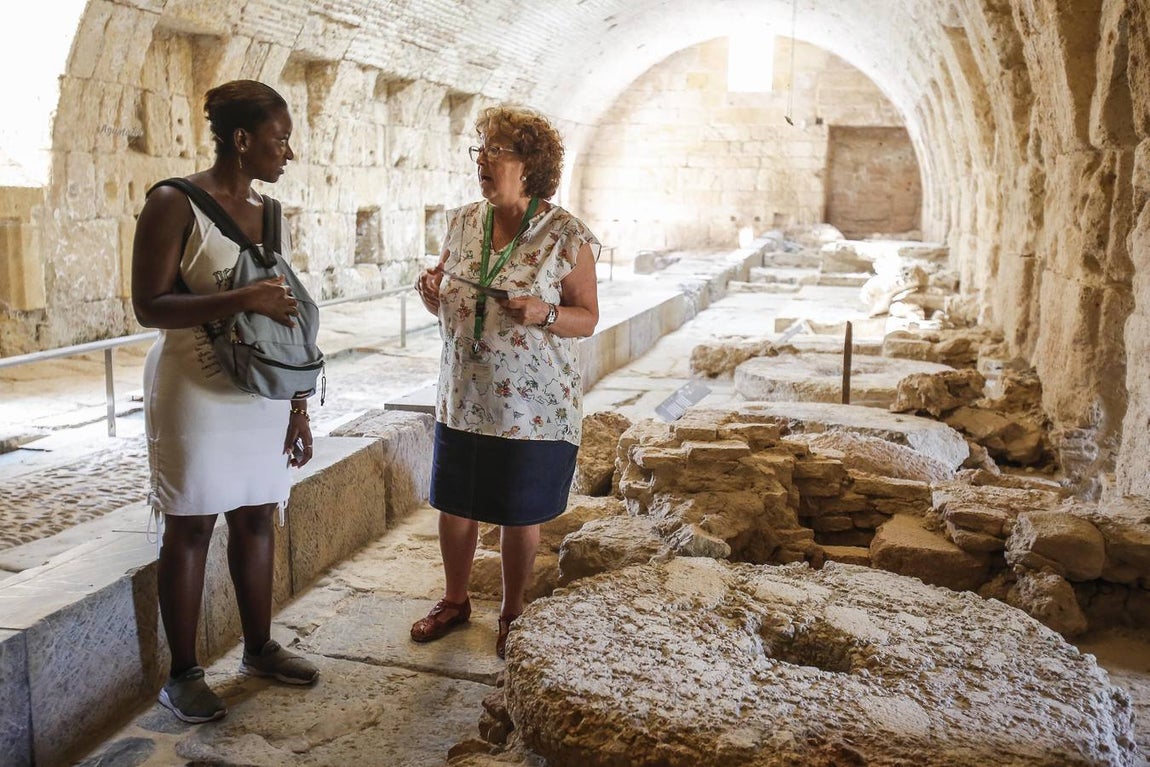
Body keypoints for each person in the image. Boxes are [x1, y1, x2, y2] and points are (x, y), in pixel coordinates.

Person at [132, 80, 319, 723]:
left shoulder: (271, 215)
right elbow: (149, 305)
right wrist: (241, 298)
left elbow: (284, 320)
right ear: (242, 142)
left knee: (256, 515)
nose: (288, 153)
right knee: (190, 523)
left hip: (260, 392)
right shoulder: (173, 203)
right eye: (279, 140)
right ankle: (182, 675)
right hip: (194, 390)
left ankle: (259, 647)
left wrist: (298, 404)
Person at [411, 105, 600, 659]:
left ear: (531, 165)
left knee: (519, 511)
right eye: (481, 150)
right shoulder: (464, 221)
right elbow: (451, 289)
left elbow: (586, 318)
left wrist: (544, 313)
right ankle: (454, 600)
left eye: (497, 151)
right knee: (457, 503)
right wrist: (431, 296)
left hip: (530, 404)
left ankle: (513, 609)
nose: (483, 161)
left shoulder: (566, 235)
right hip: (464, 395)